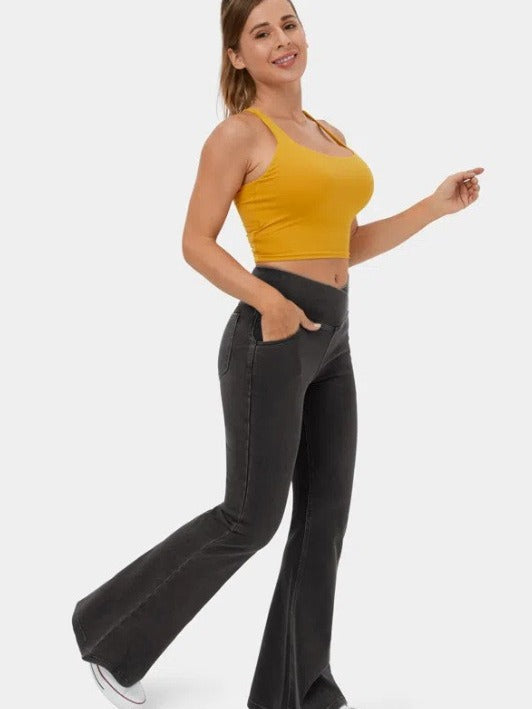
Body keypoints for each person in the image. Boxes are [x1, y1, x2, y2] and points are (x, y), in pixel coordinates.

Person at [71, 1, 483, 707]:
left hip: (334, 338)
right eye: (260, 33)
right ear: (237, 55)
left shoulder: (327, 134)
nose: (281, 40)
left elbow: (347, 245)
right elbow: (195, 241)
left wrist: (434, 206)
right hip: (272, 335)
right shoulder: (239, 134)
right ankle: (109, 634)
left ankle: (298, 691)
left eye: (288, 24)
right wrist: (271, 303)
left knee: (324, 519)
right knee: (250, 517)